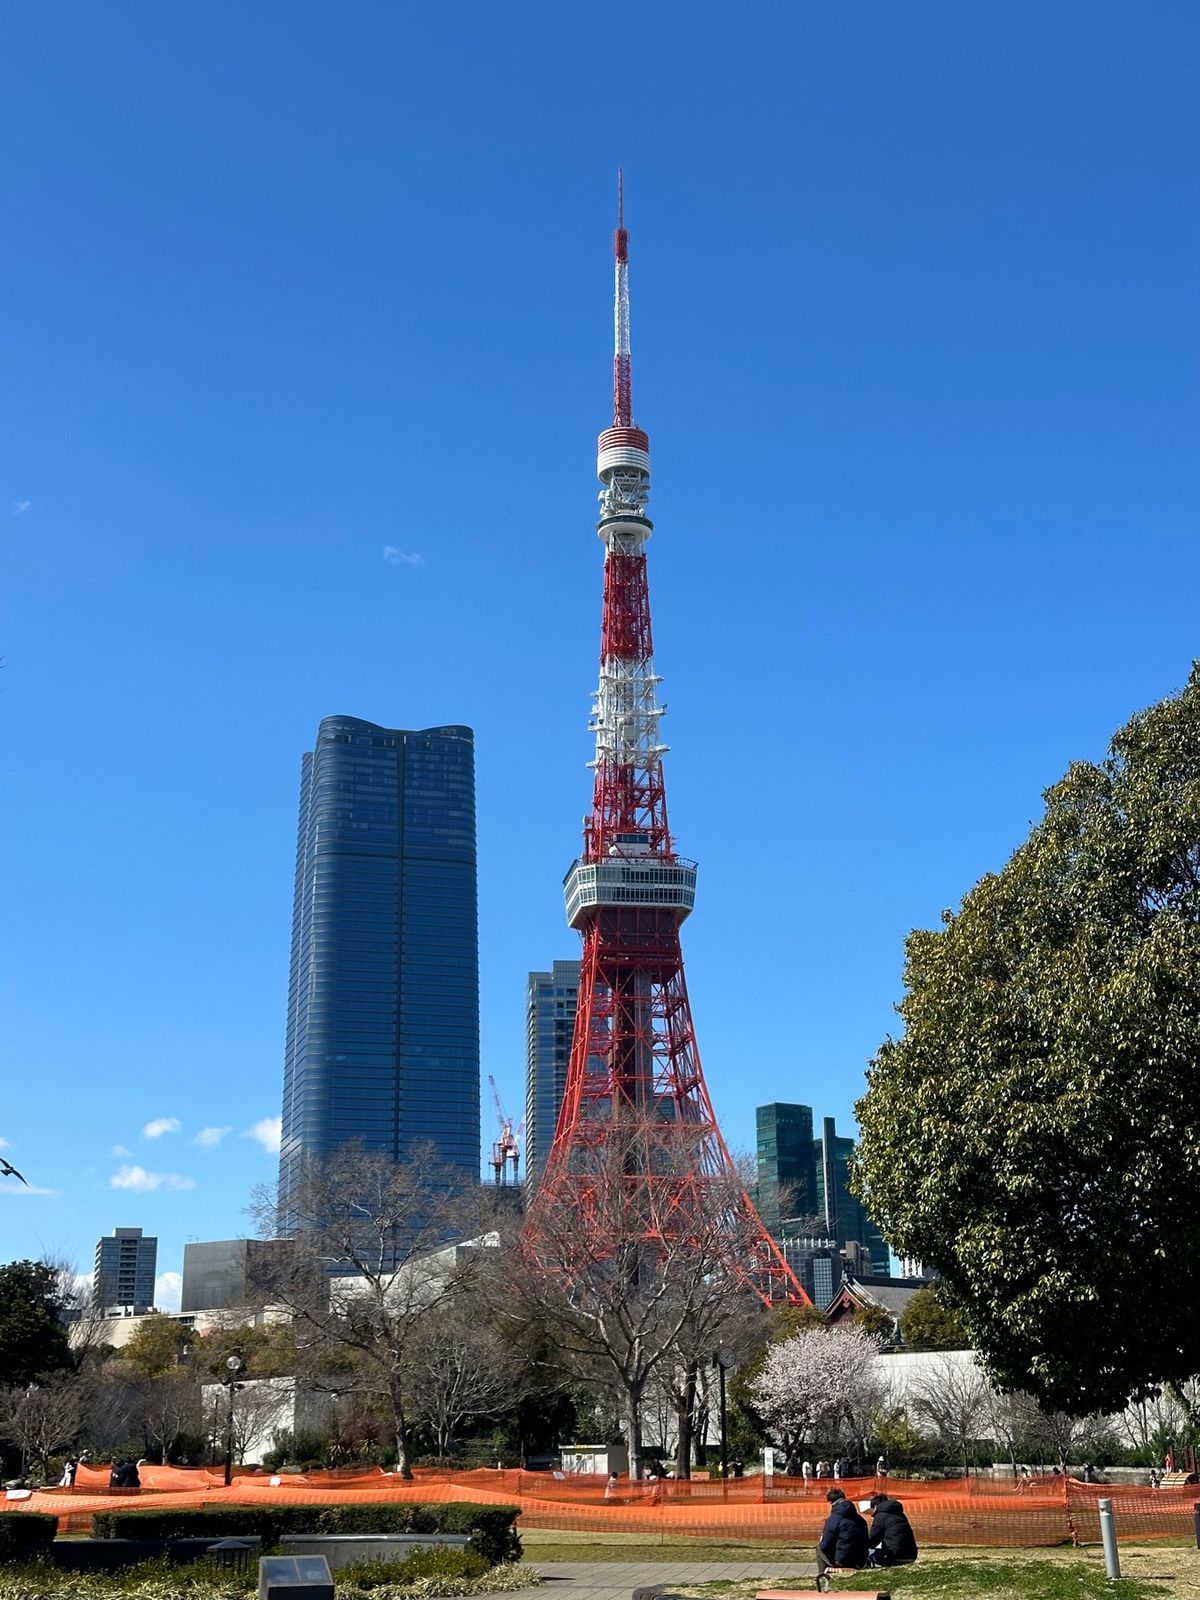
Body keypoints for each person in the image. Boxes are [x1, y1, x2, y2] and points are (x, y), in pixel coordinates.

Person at [816, 1487, 868, 1581]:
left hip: (843, 1560)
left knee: (819, 1548)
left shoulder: (833, 1519)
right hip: (861, 1559)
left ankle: (822, 1576)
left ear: (831, 1503)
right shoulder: (860, 1519)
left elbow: (824, 1546)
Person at [866, 1492, 918, 1568]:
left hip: (896, 1556)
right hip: (911, 1555)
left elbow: (873, 1540)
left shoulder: (881, 1516)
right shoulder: (900, 1514)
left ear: (875, 1507)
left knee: (870, 1551)